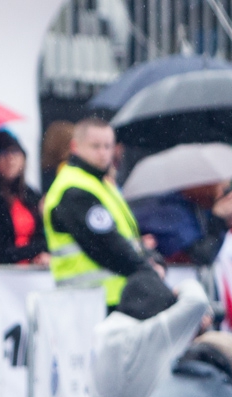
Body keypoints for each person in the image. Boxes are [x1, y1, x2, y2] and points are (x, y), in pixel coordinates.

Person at [42, 117, 160, 309]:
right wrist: (148, 270)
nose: (103, 153)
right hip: (90, 302)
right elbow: (107, 245)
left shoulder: (102, 183)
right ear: (75, 147)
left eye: (108, 146)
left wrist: (153, 261)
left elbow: (129, 238)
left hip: (113, 297)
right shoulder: (74, 188)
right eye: (95, 146)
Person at [0, 129, 48, 266]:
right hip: (2, 274)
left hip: (33, 271)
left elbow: (41, 237)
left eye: (15, 152)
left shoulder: (30, 194)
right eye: (2, 153)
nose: (10, 159)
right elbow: (0, 251)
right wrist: (38, 249)